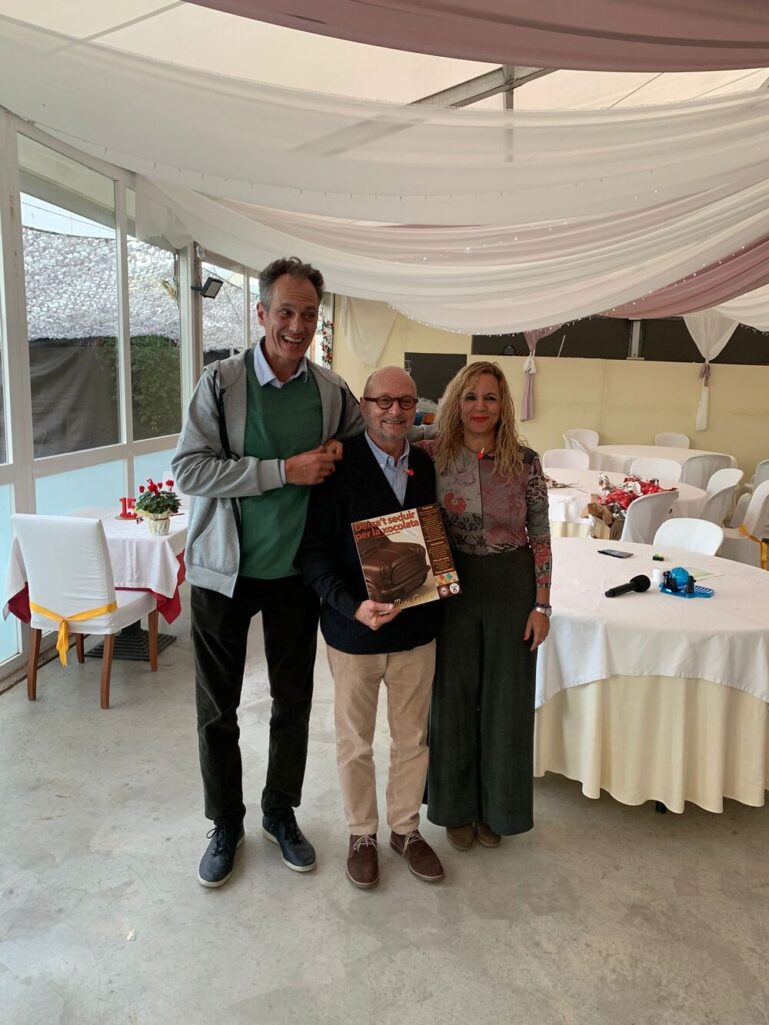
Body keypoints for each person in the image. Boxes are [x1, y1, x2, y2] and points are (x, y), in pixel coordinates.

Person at [172, 256, 363, 888]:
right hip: (222, 573)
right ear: (261, 313)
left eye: (308, 314)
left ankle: (280, 812)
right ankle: (225, 823)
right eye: (285, 311)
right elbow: (189, 470)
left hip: (295, 575)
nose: (297, 326)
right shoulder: (222, 383)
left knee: (293, 701)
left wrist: (340, 450)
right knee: (217, 709)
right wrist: (284, 471)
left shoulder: (330, 391)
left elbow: (361, 447)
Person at [299, 367, 444, 888]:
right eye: (383, 401)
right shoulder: (337, 468)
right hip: (353, 633)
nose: (394, 411)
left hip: (416, 632)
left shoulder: (425, 467)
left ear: (416, 408)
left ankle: (405, 829)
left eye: (405, 402)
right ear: (363, 406)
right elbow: (313, 555)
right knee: (354, 742)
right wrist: (351, 606)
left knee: (412, 739)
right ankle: (361, 833)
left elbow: (435, 543)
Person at [419, 361, 551, 850]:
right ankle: (454, 807)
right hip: (450, 584)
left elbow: (541, 535)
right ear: (456, 401)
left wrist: (542, 606)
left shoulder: (525, 461)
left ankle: (499, 807)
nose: (480, 406)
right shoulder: (431, 454)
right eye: (470, 396)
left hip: (511, 584)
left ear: (504, 405)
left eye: (490, 397)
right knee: (451, 695)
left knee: (506, 699)